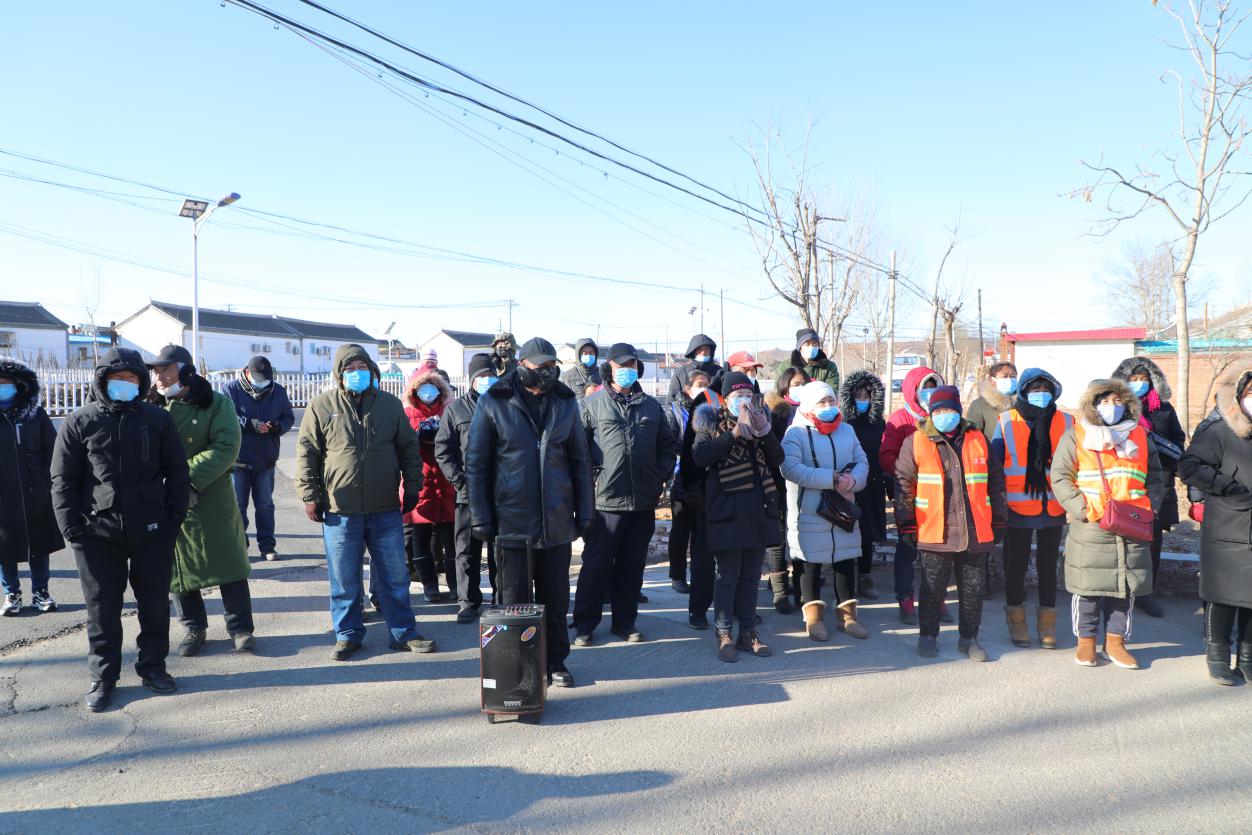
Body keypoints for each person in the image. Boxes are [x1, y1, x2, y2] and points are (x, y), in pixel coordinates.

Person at [51, 347, 190, 711]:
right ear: (102, 381)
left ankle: (153, 667)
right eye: (116, 379)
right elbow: (63, 480)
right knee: (102, 610)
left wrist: (173, 519)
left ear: (141, 382)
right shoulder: (80, 421)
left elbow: (177, 471)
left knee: (155, 604)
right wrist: (71, 528)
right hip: (96, 533)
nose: (124, 384)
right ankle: (103, 677)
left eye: (131, 378)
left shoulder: (156, 419)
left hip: (152, 529)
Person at [465, 337, 594, 688]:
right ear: (523, 366)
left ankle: (556, 662)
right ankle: (520, 667)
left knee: (555, 598)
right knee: (514, 603)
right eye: (543, 367)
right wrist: (481, 516)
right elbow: (476, 464)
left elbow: (581, 462)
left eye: (554, 366)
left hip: (556, 518)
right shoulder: (496, 401)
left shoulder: (566, 403)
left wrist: (585, 511)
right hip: (511, 522)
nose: (551, 373)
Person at [296, 344, 433, 661]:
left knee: (395, 577)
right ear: (340, 373)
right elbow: (307, 454)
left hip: (385, 508)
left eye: (363, 367)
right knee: (344, 579)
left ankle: (403, 632)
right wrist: (310, 495)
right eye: (350, 368)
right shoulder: (322, 406)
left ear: (372, 371)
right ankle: (347, 634)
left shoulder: (388, 405)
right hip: (339, 510)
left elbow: (409, 450)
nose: (357, 373)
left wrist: (412, 487)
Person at [148, 345, 255, 656]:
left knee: (228, 563)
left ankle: (241, 627)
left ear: (185, 371)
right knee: (178, 568)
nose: (160, 376)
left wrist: (187, 479)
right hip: (166, 498)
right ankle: (194, 628)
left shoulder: (215, 403)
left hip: (209, 495)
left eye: (166, 369)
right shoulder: (151, 406)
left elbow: (226, 446)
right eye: (157, 371)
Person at [1050, 378, 1163, 670]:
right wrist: (1081, 509)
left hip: (1132, 523)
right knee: (1087, 588)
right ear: (1093, 405)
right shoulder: (1076, 435)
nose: (1112, 407)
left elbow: (1156, 476)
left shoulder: (1139, 435)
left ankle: (1116, 642)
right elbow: (1060, 476)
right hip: (1092, 523)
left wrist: (1151, 505)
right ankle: (1085, 642)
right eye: (1105, 401)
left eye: (1117, 401)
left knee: (1125, 589)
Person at [572, 344, 677, 645]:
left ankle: (624, 622)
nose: (628, 369)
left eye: (632, 364)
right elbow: (577, 452)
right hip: (605, 503)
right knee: (596, 565)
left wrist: (658, 477)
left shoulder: (652, 407)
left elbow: (667, 447)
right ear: (610, 370)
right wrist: (592, 480)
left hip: (643, 502)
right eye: (622, 365)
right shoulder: (591, 405)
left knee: (632, 567)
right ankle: (584, 624)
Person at [894, 386, 1006, 661]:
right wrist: (907, 523)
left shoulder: (978, 438)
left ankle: (969, 638)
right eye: (939, 411)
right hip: (934, 530)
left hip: (974, 529)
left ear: (959, 411)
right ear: (931, 413)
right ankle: (928, 635)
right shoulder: (916, 441)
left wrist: (1000, 520)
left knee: (973, 588)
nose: (945, 415)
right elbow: (903, 484)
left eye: (950, 410)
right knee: (932, 588)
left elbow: (995, 482)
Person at [692, 372, 782, 662]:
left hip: (758, 508)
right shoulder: (711, 422)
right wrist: (733, 435)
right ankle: (723, 633)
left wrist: (764, 430)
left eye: (747, 395)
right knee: (727, 575)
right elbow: (700, 457)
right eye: (737, 396)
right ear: (725, 398)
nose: (743, 401)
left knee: (751, 576)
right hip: (726, 509)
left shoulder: (760, 421)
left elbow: (777, 459)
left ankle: (748, 632)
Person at [1178, 364, 1252, 685]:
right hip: (1227, 527)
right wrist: (1229, 487)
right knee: (1221, 596)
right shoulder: (1220, 430)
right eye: (1251, 393)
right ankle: (1218, 657)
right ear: (1239, 397)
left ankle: (1248, 658)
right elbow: (1190, 466)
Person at [990, 368, 1072, 650]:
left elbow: (1076, 461)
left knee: (1049, 566)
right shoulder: (1006, 420)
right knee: (1017, 564)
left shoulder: (1066, 421)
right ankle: (1017, 619)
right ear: (1023, 392)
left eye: (1046, 390)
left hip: (1054, 504)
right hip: (1017, 505)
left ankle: (1047, 624)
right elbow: (995, 465)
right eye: (1035, 390)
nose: (1041, 395)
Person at [781, 381, 870, 642]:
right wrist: (830, 478)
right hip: (810, 509)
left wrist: (852, 481)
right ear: (809, 405)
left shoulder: (847, 430)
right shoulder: (795, 433)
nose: (829, 407)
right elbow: (790, 469)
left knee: (845, 560)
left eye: (831, 401)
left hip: (843, 507)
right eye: (822, 402)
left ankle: (848, 617)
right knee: (810, 563)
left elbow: (862, 462)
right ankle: (814, 618)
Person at [1111, 357, 1187, 619]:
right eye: (1133, 379)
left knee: (1152, 538)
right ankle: (1118, 591)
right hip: (1124, 479)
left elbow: (1178, 440)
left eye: (1144, 380)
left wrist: (1164, 452)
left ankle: (1146, 592)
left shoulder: (1163, 409)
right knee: (1121, 535)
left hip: (1158, 481)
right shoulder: (1115, 407)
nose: (1139, 384)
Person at [879, 364, 950, 625]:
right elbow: (886, 456)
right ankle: (906, 600)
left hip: (940, 496)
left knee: (938, 550)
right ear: (913, 390)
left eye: (934, 386)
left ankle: (937, 599)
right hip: (908, 493)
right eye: (925, 387)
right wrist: (910, 472)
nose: (930, 392)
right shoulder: (900, 419)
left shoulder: (944, 416)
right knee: (907, 548)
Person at [435, 353, 498, 623]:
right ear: (472, 380)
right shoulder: (456, 408)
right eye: (480, 377)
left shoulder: (506, 405)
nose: (486, 381)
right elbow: (443, 449)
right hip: (468, 493)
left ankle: (501, 598)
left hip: (501, 493)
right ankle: (468, 601)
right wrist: (460, 481)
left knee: (500, 551)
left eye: (489, 376)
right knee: (466, 550)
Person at [0, 357, 64, 616]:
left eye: (7, 383)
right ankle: (11, 592)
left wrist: (47, 480)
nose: (3, 387)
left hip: (35, 492)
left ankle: (41, 591)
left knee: (39, 544)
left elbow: (54, 449)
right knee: (3, 546)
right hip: (3, 496)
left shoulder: (35, 415)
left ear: (19, 386)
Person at [223, 355, 294, 562]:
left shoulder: (278, 391)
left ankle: (267, 547)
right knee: (237, 506)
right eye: (258, 377)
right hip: (238, 461)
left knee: (265, 505)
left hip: (266, 460)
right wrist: (249, 424)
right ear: (247, 373)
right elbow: (227, 417)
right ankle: (238, 546)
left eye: (265, 378)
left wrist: (277, 427)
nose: (262, 381)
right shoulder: (231, 389)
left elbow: (288, 417)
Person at [664, 369, 719, 627]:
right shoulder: (701, 409)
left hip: (734, 496)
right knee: (700, 551)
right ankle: (698, 609)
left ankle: (739, 608)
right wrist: (693, 488)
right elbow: (689, 453)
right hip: (698, 492)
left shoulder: (744, 414)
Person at [400, 367, 458, 605]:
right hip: (419, 483)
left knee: (451, 542)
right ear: (414, 390)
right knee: (419, 541)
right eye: (422, 387)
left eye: (433, 386)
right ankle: (430, 586)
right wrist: (417, 435)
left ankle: (456, 585)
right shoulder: (405, 413)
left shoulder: (450, 411)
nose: (428, 392)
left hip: (447, 484)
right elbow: (399, 446)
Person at [763, 366, 810, 611]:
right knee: (777, 538)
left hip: (805, 482)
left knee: (801, 536)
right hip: (777, 483)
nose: (799, 387)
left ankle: (802, 590)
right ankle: (779, 590)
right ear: (784, 387)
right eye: (794, 384)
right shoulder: (774, 413)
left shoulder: (813, 411)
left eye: (803, 382)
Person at [839, 370, 887, 601]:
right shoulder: (842, 423)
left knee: (867, 531)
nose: (862, 399)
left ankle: (866, 575)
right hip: (848, 481)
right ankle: (846, 576)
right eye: (857, 395)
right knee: (847, 527)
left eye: (866, 395)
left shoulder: (879, 423)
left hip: (873, 482)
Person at [967, 361, 1017, 436]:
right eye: (1005, 376)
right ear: (992, 380)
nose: (1009, 380)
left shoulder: (1022, 404)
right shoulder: (979, 405)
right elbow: (974, 438)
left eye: (1013, 376)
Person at [668, 333, 722, 400]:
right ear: (693, 351)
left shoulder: (720, 372)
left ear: (711, 352)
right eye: (699, 349)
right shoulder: (681, 372)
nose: (703, 352)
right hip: (686, 409)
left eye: (706, 349)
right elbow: (672, 396)